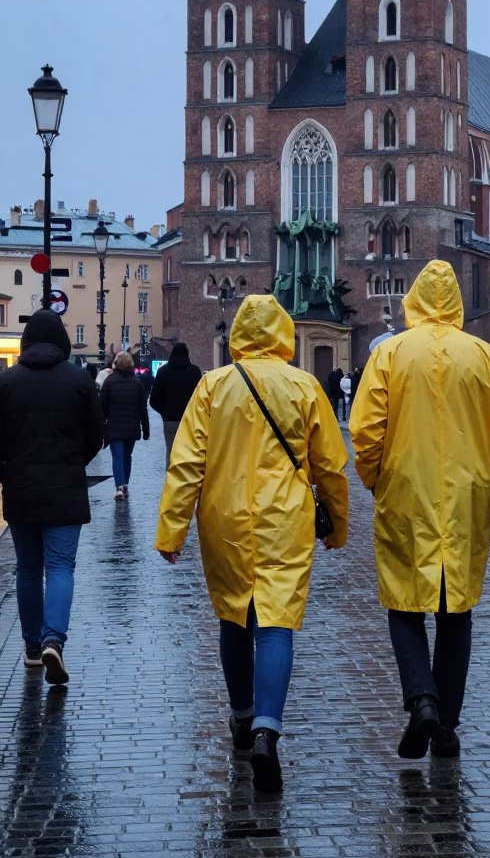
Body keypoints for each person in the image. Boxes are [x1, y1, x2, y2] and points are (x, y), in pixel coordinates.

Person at [350, 260, 490, 761]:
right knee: (456, 610)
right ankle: (448, 727)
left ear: (415, 299)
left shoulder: (390, 353)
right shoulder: (484, 356)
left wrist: (375, 477)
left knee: (403, 602)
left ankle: (422, 701)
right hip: (466, 495)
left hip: (405, 491)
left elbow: (365, 430)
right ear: (456, 303)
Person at [155, 294, 349, 793]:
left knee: (233, 615)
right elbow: (330, 465)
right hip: (285, 518)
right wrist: (338, 525)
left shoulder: (213, 387)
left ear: (239, 334)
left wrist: (171, 529)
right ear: (284, 334)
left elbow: (186, 465)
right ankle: (268, 726)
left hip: (224, 516)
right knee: (276, 622)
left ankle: (241, 718)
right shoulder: (304, 386)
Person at [0, 310, 105, 685]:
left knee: (27, 569)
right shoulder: (78, 380)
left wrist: (7, 471)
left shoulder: (6, 381)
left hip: (21, 488)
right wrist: (75, 462)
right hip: (65, 488)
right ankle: (53, 640)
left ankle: (31, 648)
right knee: (60, 567)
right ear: (62, 341)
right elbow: (96, 435)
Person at [100, 351, 149, 500]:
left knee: (117, 456)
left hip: (114, 426)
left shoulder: (109, 381)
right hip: (132, 426)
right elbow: (142, 408)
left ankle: (119, 486)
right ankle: (125, 484)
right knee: (127, 456)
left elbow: (102, 406)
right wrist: (146, 430)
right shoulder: (137, 383)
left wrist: (100, 426)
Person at [150, 343, 203, 467]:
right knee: (188, 452)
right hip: (189, 419)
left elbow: (154, 399)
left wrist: (165, 411)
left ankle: (171, 480)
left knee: (171, 451)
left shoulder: (163, 371)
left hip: (170, 420)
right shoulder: (194, 371)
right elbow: (201, 396)